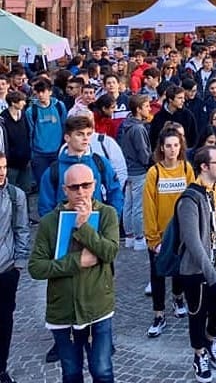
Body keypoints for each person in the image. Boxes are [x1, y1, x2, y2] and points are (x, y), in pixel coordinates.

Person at [28, 163, 120, 383]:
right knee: (71, 373)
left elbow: (109, 252)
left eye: (86, 185)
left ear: (94, 185)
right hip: (63, 312)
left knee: (102, 371)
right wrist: (76, 261)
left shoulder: (107, 214)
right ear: (65, 189)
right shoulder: (49, 222)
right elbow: (36, 267)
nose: (81, 192)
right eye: (74, 187)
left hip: (97, 307)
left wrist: (83, 227)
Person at [177, 145, 216, 382]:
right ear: (204, 166)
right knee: (198, 314)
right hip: (196, 270)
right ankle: (199, 354)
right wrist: (211, 276)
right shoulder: (189, 199)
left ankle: (211, 341)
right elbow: (193, 243)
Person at [143, 124, 194, 339]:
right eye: (168, 146)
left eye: (176, 145)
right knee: (157, 275)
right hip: (160, 234)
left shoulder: (187, 169)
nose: (172, 149)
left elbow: (192, 200)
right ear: (161, 148)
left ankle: (178, 298)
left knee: (180, 270)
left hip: (181, 232)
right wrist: (153, 238)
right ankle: (158, 314)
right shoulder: (154, 172)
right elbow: (149, 207)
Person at [0, 151, 30, 383]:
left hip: (6, 269)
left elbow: (21, 229)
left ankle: (1, 368)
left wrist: (18, 264)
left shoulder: (14, 195)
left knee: (4, 322)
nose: (2, 172)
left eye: (4, 167)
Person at [118, 94, 153, 252]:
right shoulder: (138, 128)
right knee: (138, 205)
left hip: (129, 169)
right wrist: (148, 162)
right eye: (146, 106)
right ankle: (139, 237)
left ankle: (130, 236)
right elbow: (143, 152)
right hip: (138, 170)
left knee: (129, 204)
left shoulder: (126, 124)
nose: (149, 109)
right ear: (138, 109)